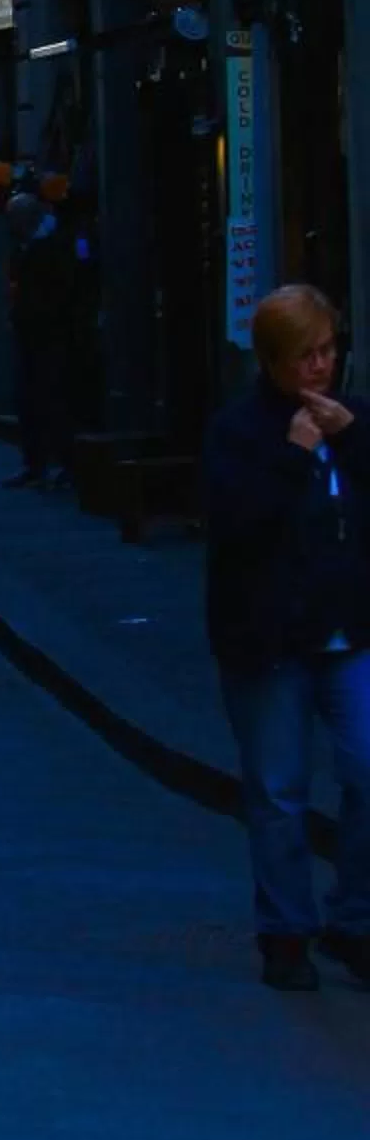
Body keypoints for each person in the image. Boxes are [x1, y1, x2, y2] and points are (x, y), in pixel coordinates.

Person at [204, 284, 370, 993]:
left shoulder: (351, 421)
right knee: (279, 790)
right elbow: (238, 528)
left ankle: (355, 921)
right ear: (272, 361)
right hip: (269, 640)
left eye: (328, 351)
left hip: (350, 630)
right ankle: (286, 933)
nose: (320, 368)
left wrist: (351, 438)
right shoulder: (241, 433)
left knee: (367, 768)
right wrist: (297, 455)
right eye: (305, 356)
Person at [3, 169, 76, 487]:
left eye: (15, 221)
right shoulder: (24, 246)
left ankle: (62, 461)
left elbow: (65, 286)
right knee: (28, 398)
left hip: (51, 332)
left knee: (54, 397)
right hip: (28, 329)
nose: (12, 228)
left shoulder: (53, 245)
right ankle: (34, 462)